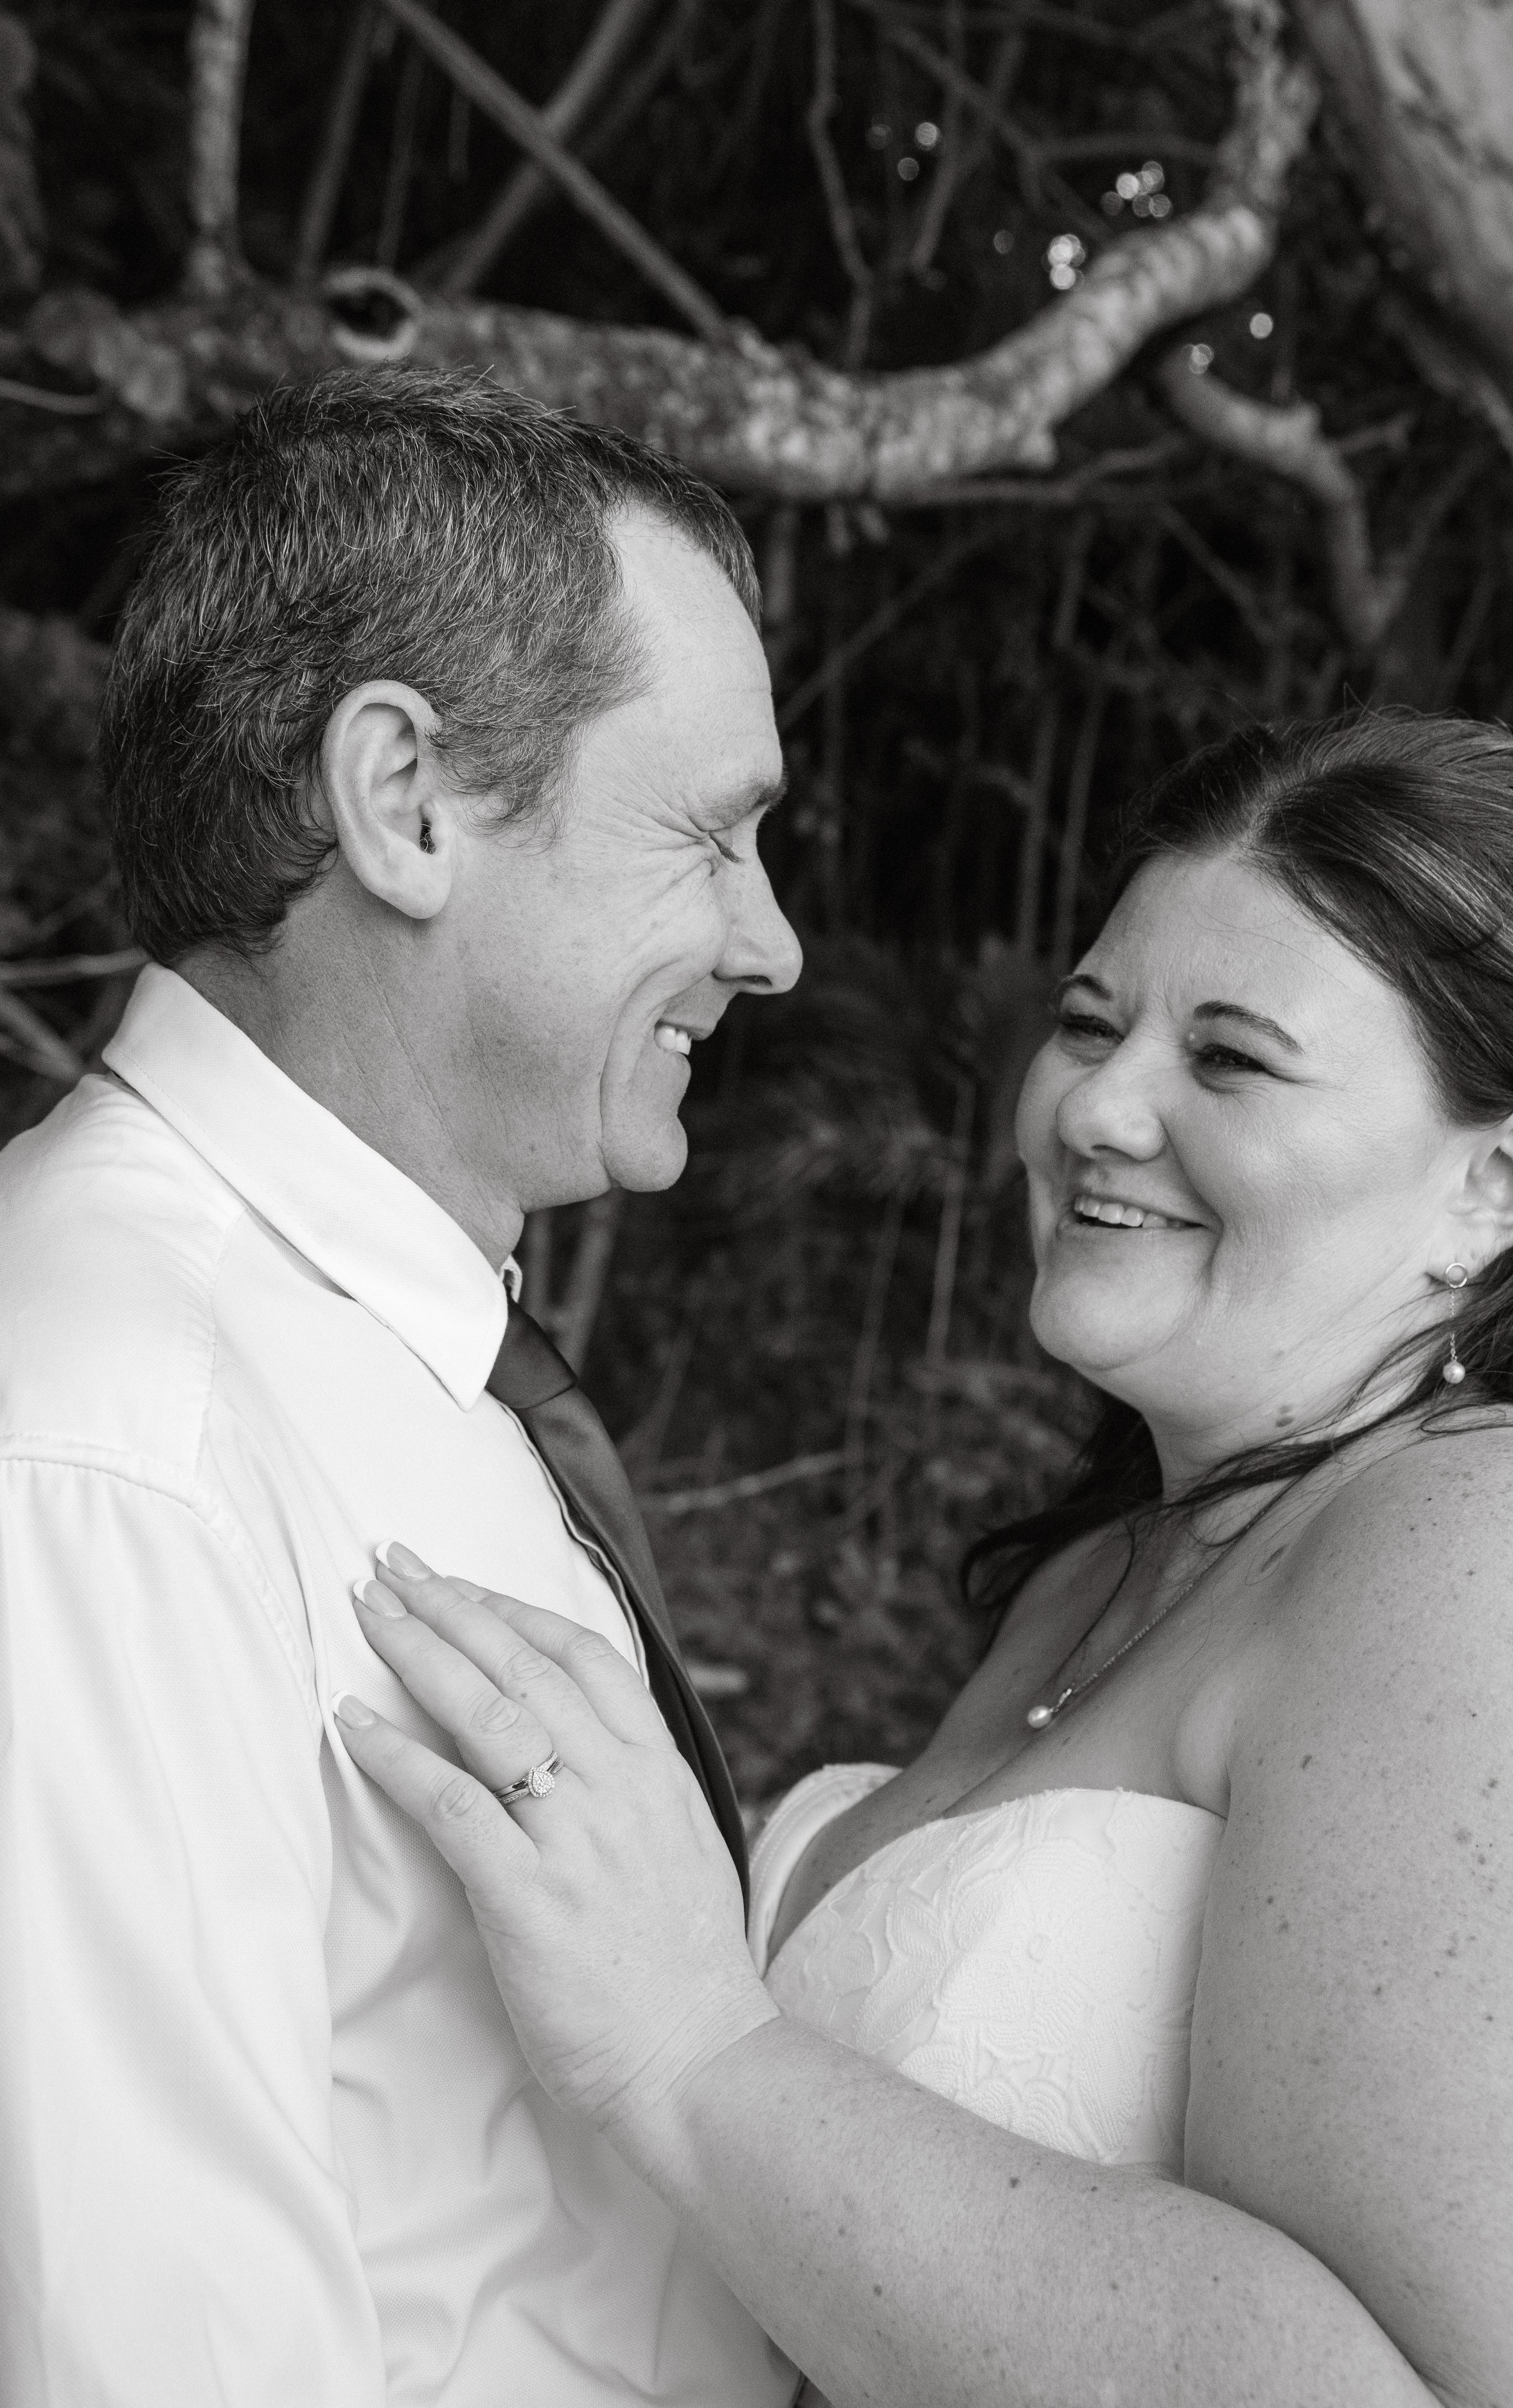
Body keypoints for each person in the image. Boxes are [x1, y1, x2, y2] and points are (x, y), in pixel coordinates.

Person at [339, 711, 1513, 2408]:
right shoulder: (1104, 1572)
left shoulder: (1492, 1550)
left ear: (1495, 1186)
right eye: (1089, 1022)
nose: (1098, 1105)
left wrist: (698, 2055)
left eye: (1226, 1059)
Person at [0, 370, 802, 2406]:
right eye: (708, 835)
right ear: (410, 802)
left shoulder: (375, 1347)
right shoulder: (113, 1434)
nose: (770, 943)